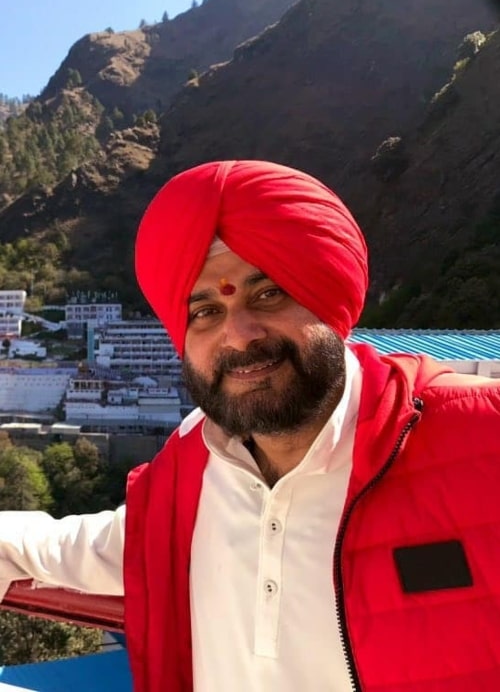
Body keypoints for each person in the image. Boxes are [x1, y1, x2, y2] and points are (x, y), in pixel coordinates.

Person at [1, 160, 500, 692]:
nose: (239, 336)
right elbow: (88, 548)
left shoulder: (480, 440)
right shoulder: (188, 472)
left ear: (327, 297)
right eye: (205, 312)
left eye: (268, 294)